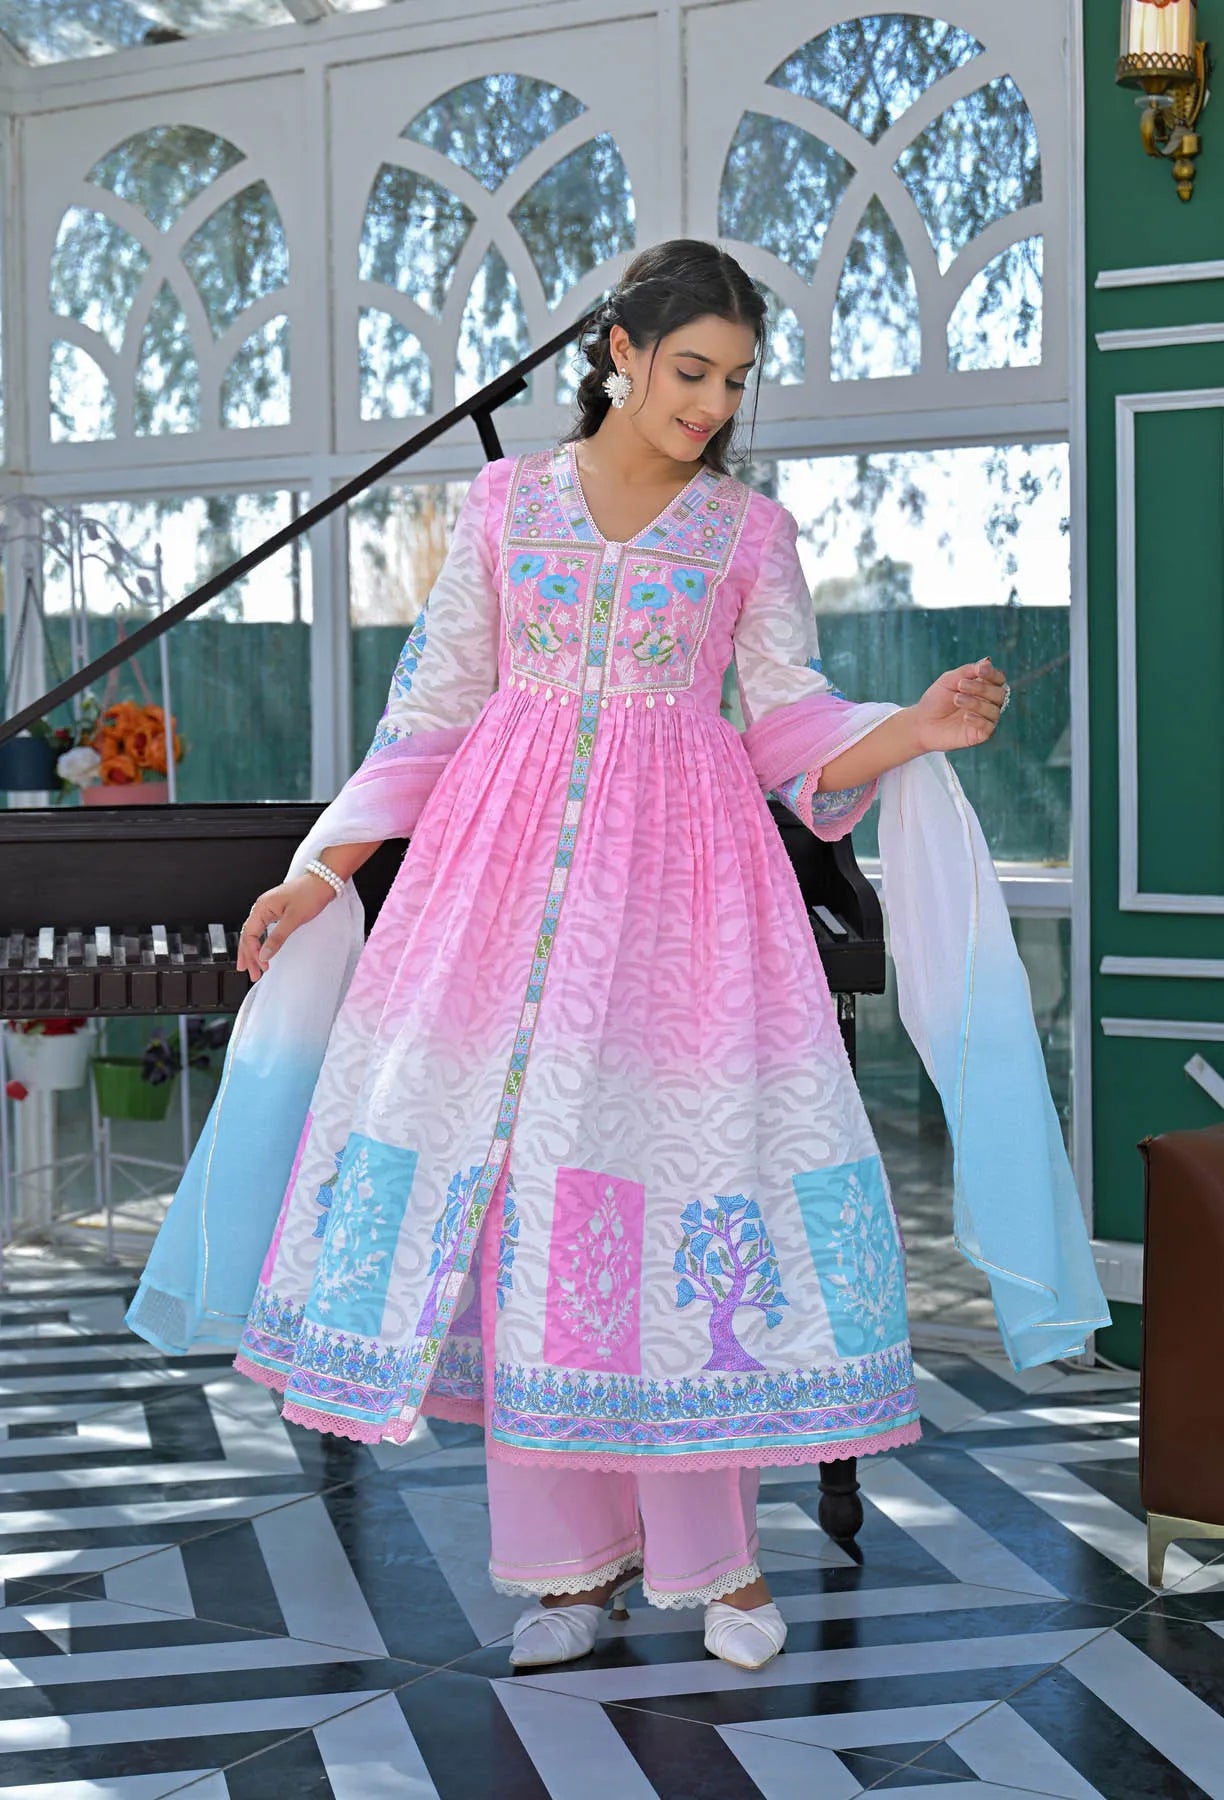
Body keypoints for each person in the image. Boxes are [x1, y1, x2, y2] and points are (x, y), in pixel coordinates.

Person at [127, 239, 1108, 1673]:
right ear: (621, 354)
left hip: (685, 903)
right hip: (493, 897)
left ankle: (722, 1568)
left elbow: (787, 723)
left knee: (684, 1192)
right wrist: (320, 865)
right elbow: (435, 709)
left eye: (736, 380)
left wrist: (912, 729)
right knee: (535, 1213)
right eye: (690, 370)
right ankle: (568, 1572)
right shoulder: (503, 507)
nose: (711, 404)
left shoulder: (747, 536)